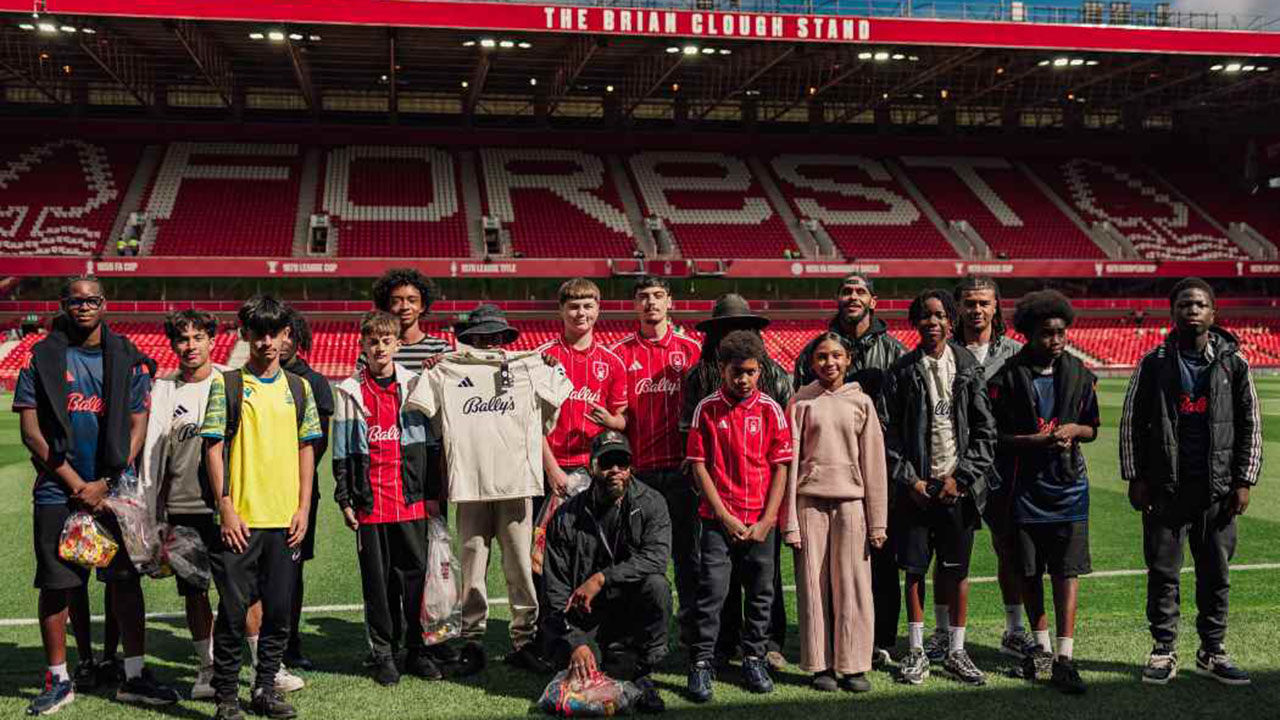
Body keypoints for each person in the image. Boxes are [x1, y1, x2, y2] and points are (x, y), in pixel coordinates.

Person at [15, 275, 178, 716]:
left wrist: (106, 481)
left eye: (92, 300)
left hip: (114, 488)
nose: (84, 306)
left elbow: (137, 426)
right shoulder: (40, 357)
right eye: (76, 300)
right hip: (56, 488)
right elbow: (32, 433)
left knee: (125, 581)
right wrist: (74, 483)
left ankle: (134, 676)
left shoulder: (127, 357)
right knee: (57, 584)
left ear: (105, 304)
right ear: (65, 304)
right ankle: (59, 680)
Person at [406, 304, 572, 673]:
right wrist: (433, 369)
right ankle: (473, 642)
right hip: (470, 484)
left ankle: (524, 640)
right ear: (471, 341)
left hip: (517, 483)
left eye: (496, 337)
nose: (490, 343)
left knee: (520, 568)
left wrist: (544, 371)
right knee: (472, 567)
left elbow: (554, 404)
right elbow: (417, 403)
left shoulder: (531, 367)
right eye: (483, 338)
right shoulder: (446, 370)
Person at [1121, 277, 1261, 687]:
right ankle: (1163, 649)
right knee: (1163, 572)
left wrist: (1244, 480)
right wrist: (1135, 477)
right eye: (1184, 305)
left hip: (1216, 489)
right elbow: (1132, 421)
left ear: (1213, 314)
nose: (1192, 310)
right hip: (1167, 488)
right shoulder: (1153, 362)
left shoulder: (1234, 364)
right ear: (1173, 313)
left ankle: (1212, 650)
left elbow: (1251, 423)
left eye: (1199, 304)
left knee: (1215, 573)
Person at [202, 295, 323, 720]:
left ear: (287, 335)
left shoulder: (299, 387)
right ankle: (226, 698)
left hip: (286, 520)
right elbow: (213, 449)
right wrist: (226, 506)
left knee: (278, 613)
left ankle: (265, 689)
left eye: (276, 333)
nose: (267, 341)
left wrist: (304, 508)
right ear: (245, 335)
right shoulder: (227, 383)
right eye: (259, 333)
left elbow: (307, 450)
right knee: (234, 614)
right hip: (242, 521)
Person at [791, 273, 905, 666]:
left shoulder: (893, 350)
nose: (852, 296)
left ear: (874, 300)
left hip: (876, 471)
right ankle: (823, 656)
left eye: (860, 291)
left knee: (877, 572)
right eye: (846, 291)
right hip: (818, 483)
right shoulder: (810, 357)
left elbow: (897, 416)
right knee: (817, 581)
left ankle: (879, 644)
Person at [988, 290, 1099, 694]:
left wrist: (1073, 431)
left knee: (1066, 573)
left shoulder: (1081, 373)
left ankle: (1066, 657)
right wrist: (1032, 440)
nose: (1055, 340)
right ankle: (1041, 649)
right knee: (1030, 572)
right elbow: (994, 436)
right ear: (1029, 335)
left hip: (1069, 489)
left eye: (1061, 332)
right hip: (1024, 489)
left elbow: (1092, 426)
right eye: (1046, 334)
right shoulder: (1007, 376)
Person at [884, 289, 996, 687]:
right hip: (916, 489)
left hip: (957, 489)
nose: (932, 322)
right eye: (924, 316)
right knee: (914, 570)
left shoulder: (967, 367)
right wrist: (910, 479)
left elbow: (985, 431)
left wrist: (962, 478)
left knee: (956, 571)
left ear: (951, 321)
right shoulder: (902, 371)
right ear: (916, 323)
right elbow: (890, 434)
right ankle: (916, 650)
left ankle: (955, 650)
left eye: (939, 315)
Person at [681, 294, 792, 671]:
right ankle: (722, 644)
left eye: (741, 326)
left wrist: (768, 514)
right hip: (716, 496)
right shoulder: (698, 378)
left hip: (760, 495)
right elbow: (692, 446)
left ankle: (766, 645)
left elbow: (781, 440)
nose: (734, 332)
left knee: (764, 580)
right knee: (716, 580)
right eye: (727, 327)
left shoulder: (773, 374)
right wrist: (716, 505)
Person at [924, 276, 1032, 663]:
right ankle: (940, 633)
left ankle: (1015, 630)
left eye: (984, 303)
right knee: (946, 555)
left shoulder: (1016, 354)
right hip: (954, 469)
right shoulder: (940, 351)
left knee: (1010, 552)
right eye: (969, 303)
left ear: (996, 307)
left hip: (1005, 468)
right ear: (957, 309)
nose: (977, 310)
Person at [332, 311, 440, 686]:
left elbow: (431, 445)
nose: (380, 348)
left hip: (410, 501)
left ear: (397, 344)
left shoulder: (414, 386)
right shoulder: (349, 391)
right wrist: (345, 499)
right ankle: (383, 653)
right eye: (373, 341)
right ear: (363, 345)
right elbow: (342, 452)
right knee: (378, 585)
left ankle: (416, 650)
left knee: (415, 580)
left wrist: (433, 494)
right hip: (371, 504)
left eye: (386, 341)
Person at [783, 333, 888, 693]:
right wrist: (790, 523)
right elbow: (790, 464)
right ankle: (819, 665)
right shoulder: (800, 402)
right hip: (809, 503)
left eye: (837, 356)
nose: (829, 362)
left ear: (848, 361)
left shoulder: (862, 403)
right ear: (812, 363)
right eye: (822, 357)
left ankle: (853, 665)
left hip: (851, 505)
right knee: (814, 586)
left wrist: (878, 522)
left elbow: (874, 465)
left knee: (853, 585)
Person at [541, 430, 670, 713]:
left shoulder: (652, 503)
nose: (615, 471)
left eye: (621, 464)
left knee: (657, 586)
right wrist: (576, 643)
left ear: (630, 467)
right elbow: (554, 590)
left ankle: (644, 666)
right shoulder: (565, 516)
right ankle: (613, 668)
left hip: (628, 609)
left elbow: (656, 559)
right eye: (607, 463)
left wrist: (601, 578)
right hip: (584, 619)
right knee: (584, 674)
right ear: (591, 467)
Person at [609, 275, 701, 649]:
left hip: (683, 471)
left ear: (670, 302)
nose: (651, 303)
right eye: (643, 297)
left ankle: (693, 632)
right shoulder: (620, 354)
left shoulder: (691, 351)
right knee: (638, 558)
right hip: (641, 474)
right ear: (635, 305)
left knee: (689, 557)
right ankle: (639, 631)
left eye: (657, 296)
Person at [139, 310, 223, 700]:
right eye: (183, 339)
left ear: (212, 340)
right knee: (194, 592)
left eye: (198, 337)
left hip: (230, 510)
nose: (190, 346)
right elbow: (153, 455)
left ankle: (264, 667)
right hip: (182, 508)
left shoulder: (231, 382)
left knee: (244, 590)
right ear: (173, 345)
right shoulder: (164, 390)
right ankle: (206, 670)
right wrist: (149, 513)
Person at [276, 308, 334, 672]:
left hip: (297, 493)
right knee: (255, 572)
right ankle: (259, 637)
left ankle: (290, 640)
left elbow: (319, 444)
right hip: (255, 492)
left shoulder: (314, 382)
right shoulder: (251, 378)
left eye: (287, 334)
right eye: (274, 333)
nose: (281, 342)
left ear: (298, 338)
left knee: (292, 572)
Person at [368, 268, 452, 372]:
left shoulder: (441, 349)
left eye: (412, 300)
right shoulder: (376, 351)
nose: (405, 307)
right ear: (386, 307)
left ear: (423, 306)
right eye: (396, 301)